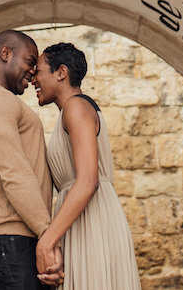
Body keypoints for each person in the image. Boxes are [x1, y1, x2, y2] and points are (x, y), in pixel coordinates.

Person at [31, 43, 141, 289]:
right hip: (79, 220)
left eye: (38, 71)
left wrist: (46, 241)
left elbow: (88, 180)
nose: (32, 79)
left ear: (61, 72)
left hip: (91, 221)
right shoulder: (70, 111)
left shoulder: (76, 107)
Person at [0, 30, 63, 288]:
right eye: (30, 62)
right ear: (5, 54)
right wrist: (47, 234)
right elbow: (13, 172)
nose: (33, 72)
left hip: (13, 242)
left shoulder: (0, 100)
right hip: (8, 240)